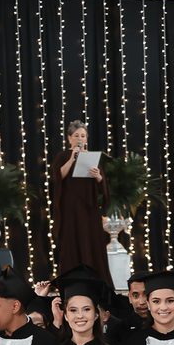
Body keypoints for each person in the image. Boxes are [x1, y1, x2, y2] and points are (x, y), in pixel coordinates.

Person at [51, 120, 111, 280]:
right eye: (76, 135)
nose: (80, 139)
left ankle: (95, 280)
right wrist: (71, 159)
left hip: (89, 207)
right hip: (69, 207)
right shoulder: (63, 156)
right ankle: (74, 281)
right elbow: (57, 177)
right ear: (69, 138)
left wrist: (98, 176)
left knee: (91, 241)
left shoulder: (93, 157)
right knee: (71, 242)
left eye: (83, 136)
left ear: (87, 138)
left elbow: (103, 186)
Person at [107, 273, 148, 345]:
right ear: (130, 298)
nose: (142, 302)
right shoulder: (119, 331)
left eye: (147, 295)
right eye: (136, 296)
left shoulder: (166, 326)